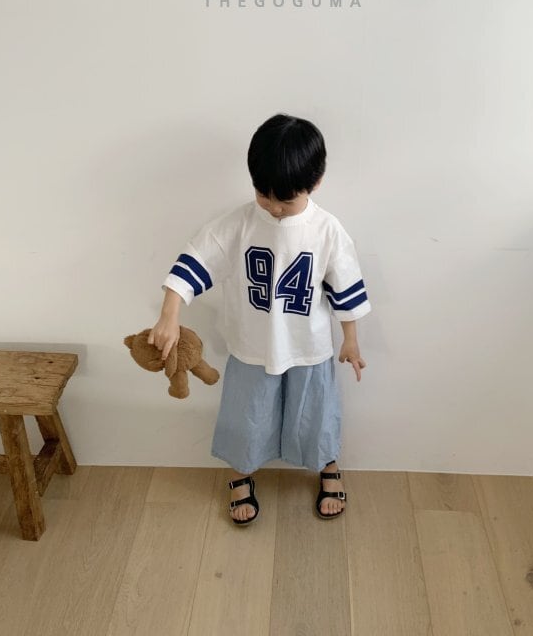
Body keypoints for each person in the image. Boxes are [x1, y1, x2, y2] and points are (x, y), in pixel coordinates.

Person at [149, 113, 371, 525]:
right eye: (264, 196)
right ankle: (240, 473)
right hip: (252, 345)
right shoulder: (238, 224)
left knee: (316, 413)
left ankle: (327, 465)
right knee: (246, 415)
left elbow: (346, 287)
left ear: (316, 182)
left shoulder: (327, 230)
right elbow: (196, 260)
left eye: (285, 200)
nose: (274, 207)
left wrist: (351, 340)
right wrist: (170, 313)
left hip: (309, 346)